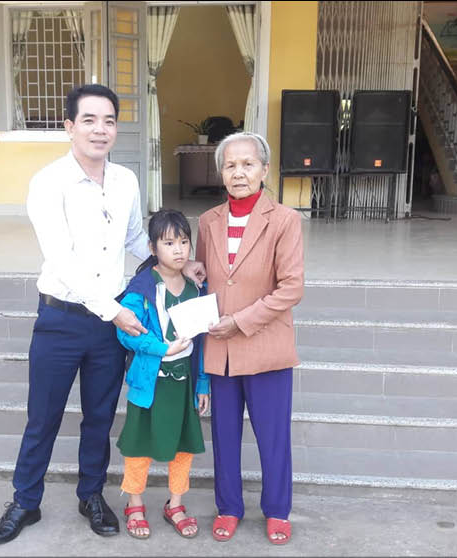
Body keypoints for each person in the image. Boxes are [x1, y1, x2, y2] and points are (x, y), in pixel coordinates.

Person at [0, 84, 205, 545]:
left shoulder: (125, 181)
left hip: (109, 325)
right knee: (43, 417)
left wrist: (175, 262)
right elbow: (61, 259)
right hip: (61, 320)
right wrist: (114, 311)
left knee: (99, 417)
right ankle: (25, 501)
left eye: (108, 121)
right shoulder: (48, 183)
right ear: (70, 126)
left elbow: (134, 239)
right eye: (89, 120)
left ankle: (91, 496)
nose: (100, 129)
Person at [195, 132, 304, 545]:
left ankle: (277, 510)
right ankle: (228, 507)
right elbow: (203, 276)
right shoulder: (208, 221)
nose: (238, 173)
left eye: (247, 164)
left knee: (273, 436)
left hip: (265, 345)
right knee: (224, 436)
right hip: (220, 351)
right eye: (230, 165)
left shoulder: (285, 220)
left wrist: (240, 322)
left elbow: (291, 288)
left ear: (264, 170)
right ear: (221, 172)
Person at [114, 209, 210, 540]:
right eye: (169, 243)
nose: (179, 250)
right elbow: (125, 333)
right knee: (139, 445)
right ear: (153, 248)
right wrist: (161, 349)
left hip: (183, 383)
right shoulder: (142, 288)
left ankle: (176, 504)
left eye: (183, 241)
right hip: (149, 383)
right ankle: (134, 503)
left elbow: (202, 341)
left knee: (183, 447)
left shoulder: (196, 288)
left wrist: (203, 382)